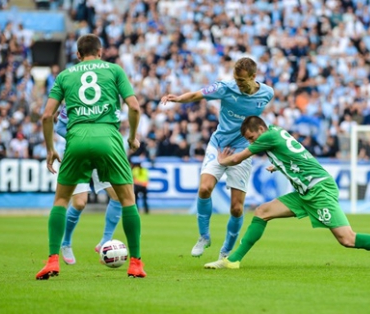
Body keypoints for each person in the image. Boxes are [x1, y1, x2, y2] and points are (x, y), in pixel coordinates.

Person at [204, 116, 370, 270]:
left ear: (260, 130)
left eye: (252, 138)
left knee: (348, 239)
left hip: (318, 190)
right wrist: (279, 165)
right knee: (262, 211)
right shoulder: (277, 134)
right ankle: (232, 261)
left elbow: (239, 157)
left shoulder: (267, 137)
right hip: (304, 193)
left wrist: (222, 160)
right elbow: (298, 156)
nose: (253, 143)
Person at [36, 34, 146, 280]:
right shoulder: (114, 70)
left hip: (76, 138)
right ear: (100, 52)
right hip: (108, 137)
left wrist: (50, 149)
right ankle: (136, 263)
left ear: (77, 55)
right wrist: (132, 137)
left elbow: (46, 116)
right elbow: (135, 107)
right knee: (127, 200)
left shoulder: (65, 75)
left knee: (61, 200)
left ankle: (53, 260)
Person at [161, 57, 274, 259]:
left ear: (254, 77)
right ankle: (204, 237)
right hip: (219, 145)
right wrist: (178, 99)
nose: (238, 84)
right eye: (236, 80)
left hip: (242, 151)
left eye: (242, 81)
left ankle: (227, 250)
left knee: (237, 207)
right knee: (204, 188)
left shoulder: (267, 94)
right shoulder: (225, 88)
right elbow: (198, 94)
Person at [54, 105, 123, 265]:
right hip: (78, 152)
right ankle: (66, 243)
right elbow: (59, 127)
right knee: (79, 203)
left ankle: (105, 241)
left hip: (100, 152)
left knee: (118, 195)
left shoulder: (105, 96)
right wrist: (80, 138)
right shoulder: (75, 96)